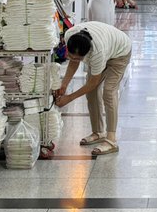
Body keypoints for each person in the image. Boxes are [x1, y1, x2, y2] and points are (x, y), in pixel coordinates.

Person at [56, 20, 132, 156]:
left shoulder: (97, 51)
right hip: (108, 43)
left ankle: (111, 140)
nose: (74, 58)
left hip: (120, 52)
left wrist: (69, 98)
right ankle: (98, 132)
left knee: (108, 92)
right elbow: (73, 62)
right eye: (71, 55)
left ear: (87, 53)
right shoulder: (70, 36)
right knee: (91, 93)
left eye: (79, 58)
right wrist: (64, 85)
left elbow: (93, 82)